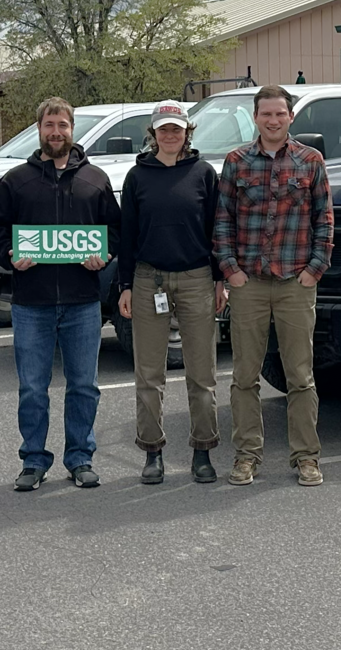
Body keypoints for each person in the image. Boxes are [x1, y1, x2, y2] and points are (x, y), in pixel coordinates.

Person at [0, 97, 120, 491]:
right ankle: (33, 460)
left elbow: (115, 229)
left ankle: (80, 458)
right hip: (32, 303)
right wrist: (9, 256)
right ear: (39, 129)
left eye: (62, 125)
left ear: (71, 129)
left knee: (83, 386)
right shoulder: (16, 180)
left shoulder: (95, 179)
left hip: (82, 301)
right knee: (32, 387)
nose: (55, 132)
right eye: (49, 125)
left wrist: (104, 254)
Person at [214, 84, 333, 487]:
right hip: (248, 283)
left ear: (291, 117)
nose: (273, 120)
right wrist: (231, 271)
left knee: (300, 376)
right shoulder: (236, 163)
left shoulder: (310, 161)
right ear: (255, 117)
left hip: (295, 282)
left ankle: (306, 457)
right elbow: (222, 221)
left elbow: (325, 221)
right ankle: (247, 456)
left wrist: (314, 270)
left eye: (280, 113)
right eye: (266, 114)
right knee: (244, 376)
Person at [117, 99, 227, 484]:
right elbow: (126, 234)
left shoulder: (203, 174)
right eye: (163, 130)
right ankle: (153, 451)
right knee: (149, 374)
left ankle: (202, 450)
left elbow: (217, 230)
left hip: (197, 277)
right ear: (153, 134)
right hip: (149, 280)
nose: (169, 135)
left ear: (187, 133)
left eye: (176, 130)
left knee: (202, 374)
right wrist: (125, 285)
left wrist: (219, 279)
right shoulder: (138, 176)